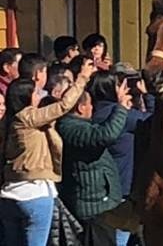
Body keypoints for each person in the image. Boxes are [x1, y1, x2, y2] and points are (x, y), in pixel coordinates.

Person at [0, 59, 95, 246]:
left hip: (8, 193)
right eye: (35, 93)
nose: (39, 95)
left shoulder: (7, 122)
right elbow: (63, 106)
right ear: (27, 97)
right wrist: (82, 78)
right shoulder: (28, 117)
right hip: (34, 193)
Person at [57, 77, 132, 246]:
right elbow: (105, 135)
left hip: (100, 203)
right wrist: (120, 108)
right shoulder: (70, 128)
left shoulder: (81, 125)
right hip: (93, 206)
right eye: (89, 104)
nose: (92, 108)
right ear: (80, 107)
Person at [89, 71, 154, 246]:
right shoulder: (122, 116)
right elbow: (151, 122)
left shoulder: (90, 112)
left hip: (98, 187)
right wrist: (147, 96)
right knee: (120, 237)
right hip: (122, 187)